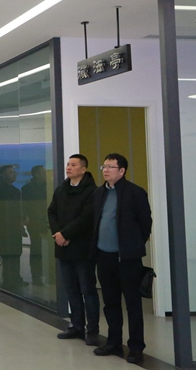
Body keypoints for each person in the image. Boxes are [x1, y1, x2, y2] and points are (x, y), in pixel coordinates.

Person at [90, 153, 152, 364]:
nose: (106, 170)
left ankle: (136, 347)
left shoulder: (135, 192)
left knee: (133, 304)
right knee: (110, 302)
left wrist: (132, 246)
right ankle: (113, 342)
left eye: (111, 167)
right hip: (104, 256)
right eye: (104, 167)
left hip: (127, 258)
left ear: (122, 171)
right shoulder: (99, 193)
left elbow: (145, 224)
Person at [47, 154, 99, 346]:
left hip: (82, 248)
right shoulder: (61, 189)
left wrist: (65, 234)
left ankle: (92, 330)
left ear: (83, 169)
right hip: (63, 247)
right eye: (68, 164)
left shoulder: (92, 191)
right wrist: (58, 234)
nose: (69, 167)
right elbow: (51, 212)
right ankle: (76, 325)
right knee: (71, 289)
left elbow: (86, 218)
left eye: (73, 165)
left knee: (87, 290)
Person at [0, 164, 24, 289]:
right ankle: (9, 280)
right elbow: (2, 211)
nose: (14, 174)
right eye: (10, 172)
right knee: (8, 254)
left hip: (15, 226)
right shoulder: (1, 190)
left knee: (16, 252)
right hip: (6, 227)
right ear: (3, 175)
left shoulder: (15, 190)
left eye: (14, 172)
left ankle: (16, 278)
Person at [22, 165, 49, 285]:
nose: (45, 175)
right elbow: (24, 206)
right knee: (37, 249)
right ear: (36, 174)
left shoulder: (48, 187)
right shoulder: (27, 188)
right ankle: (36, 276)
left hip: (47, 221)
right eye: (43, 172)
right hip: (34, 222)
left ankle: (48, 275)